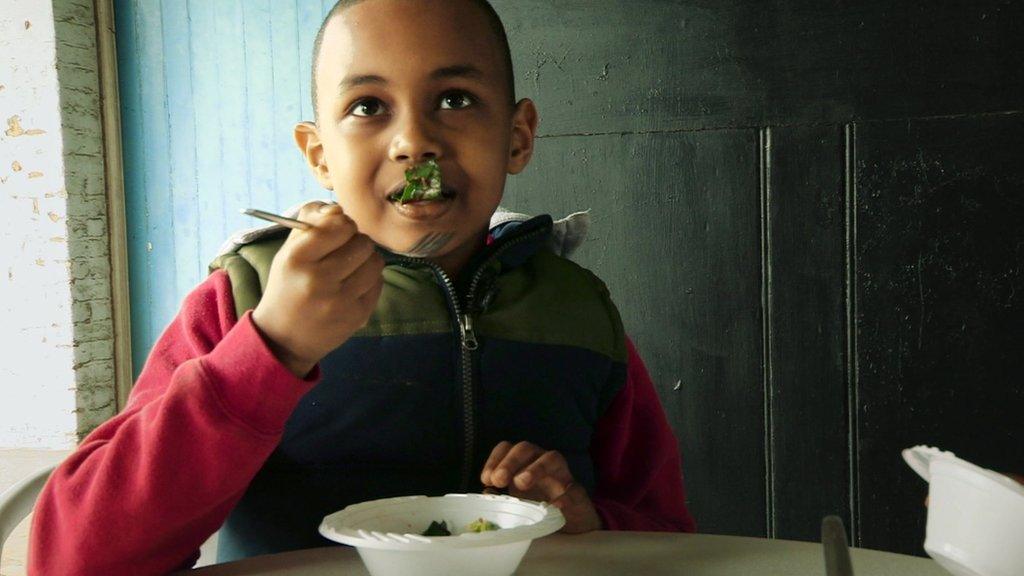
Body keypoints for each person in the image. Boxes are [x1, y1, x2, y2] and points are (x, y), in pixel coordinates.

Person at [29, 1, 695, 573]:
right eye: (368, 106)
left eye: (455, 100)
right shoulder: (244, 302)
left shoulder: (578, 313)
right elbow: (73, 557)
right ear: (319, 154)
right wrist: (274, 348)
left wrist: (588, 523)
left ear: (517, 136)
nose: (414, 142)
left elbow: (669, 539)